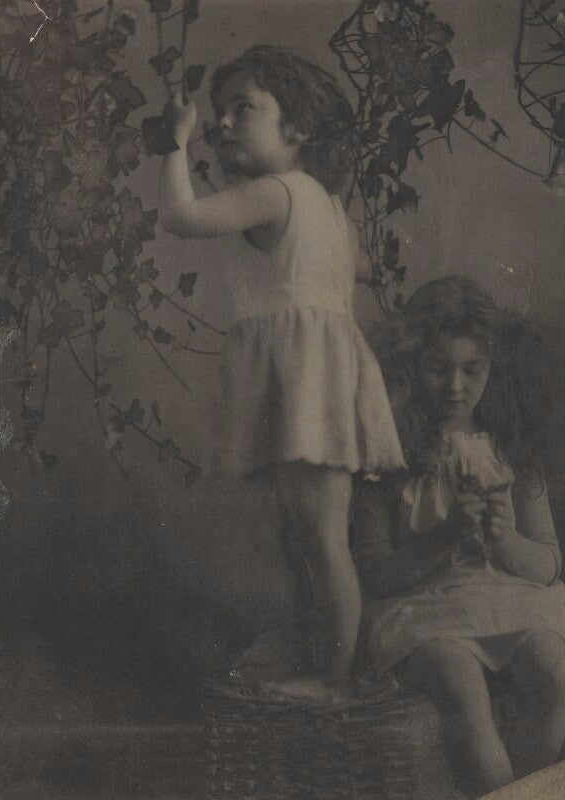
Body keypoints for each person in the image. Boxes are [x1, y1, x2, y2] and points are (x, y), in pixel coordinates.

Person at [157, 45, 405, 701]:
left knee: (319, 538)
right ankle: (315, 650)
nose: (221, 123)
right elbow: (360, 270)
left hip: (306, 384)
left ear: (296, 128)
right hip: (312, 378)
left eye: (243, 108)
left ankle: (335, 677)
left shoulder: (272, 193)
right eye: (217, 112)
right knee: (307, 535)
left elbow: (180, 217)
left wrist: (174, 141)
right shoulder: (325, 204)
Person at [352, 276, 565, 796]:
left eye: (471, 370)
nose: (455, 386)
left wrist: (507, 541)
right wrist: (443, 538)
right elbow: (376, 573)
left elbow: (549, 563)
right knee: (456, 681)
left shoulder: (511, 449)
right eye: (437, 369)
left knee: (554, 672)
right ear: (408, 365)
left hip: (512, 600)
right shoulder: (388, 456)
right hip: (426, 610)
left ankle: (522, 789)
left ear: (493, 367)